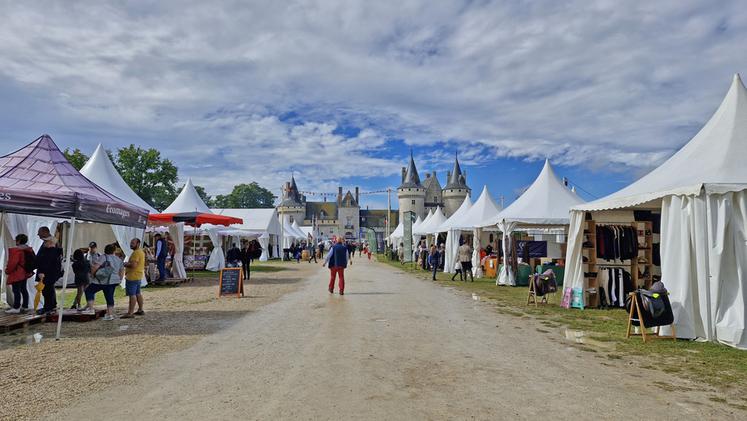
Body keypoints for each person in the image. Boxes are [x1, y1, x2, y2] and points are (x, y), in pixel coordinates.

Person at [82, 243, 123, 320]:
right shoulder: (119, 259)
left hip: (101, 280)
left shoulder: (103, 257)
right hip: (113, 281)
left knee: (89, 290)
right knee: (109, 297)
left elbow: (95, 267)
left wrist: (93, 275)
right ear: (114, 251)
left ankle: (90, 309)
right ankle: (110, 315)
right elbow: (121, 271)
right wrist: (120, 279)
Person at [35, 227, 62, 315]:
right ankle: (51, 306)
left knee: (47, 290)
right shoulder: (50, 241)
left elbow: (47, 259)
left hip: (48, 272)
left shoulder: (51, 242)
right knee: (49, 289)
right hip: (49, 271)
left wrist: (42, 271)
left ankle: (48, 308)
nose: (38, 234)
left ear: (45, 232)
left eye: (39, 232)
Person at [4, 234, 34, 314]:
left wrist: (7, 270)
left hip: (17, 273)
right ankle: (25, 306)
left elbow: (13, 263)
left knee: (16, 290)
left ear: (18, 241)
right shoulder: (28, 249)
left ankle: (16, 307)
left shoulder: (17, 251)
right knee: (24, 289)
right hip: (25, 273)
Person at [121, 238, 146, 319]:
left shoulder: (136, 253)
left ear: (138, 244)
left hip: (132, 276)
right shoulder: (140, 252)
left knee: (132, 295)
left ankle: (130, 313)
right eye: (131, 242)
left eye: (133, 243)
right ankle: (140, 309)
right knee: (138, 293)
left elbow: (133, 265)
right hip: (138, 275)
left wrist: (125, 264)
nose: (131, 244)